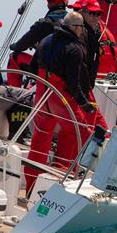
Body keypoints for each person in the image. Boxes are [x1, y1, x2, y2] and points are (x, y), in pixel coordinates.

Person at [23, 12, 99, 192]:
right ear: (75, 27)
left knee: (39, 141)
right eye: (82, 28)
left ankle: (30, 188)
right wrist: (84, 104)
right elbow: (73, 85)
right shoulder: (74, 48)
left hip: (42, 96)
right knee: (81, 135)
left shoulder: (45, 40)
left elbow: (33, 68)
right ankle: (66, 184)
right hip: (61, 100)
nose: (83, 32)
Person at [7, 0, 69, 87]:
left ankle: (13, 96)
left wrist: (14, 46)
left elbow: (22, 44)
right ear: (64, 3)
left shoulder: (45, 23)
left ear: (49, 4)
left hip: (48, 70)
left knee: (14, 57)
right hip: (67, 71)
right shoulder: (73, 22)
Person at [69, 0, 117, 76]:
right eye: (92, 13)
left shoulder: (100, 29)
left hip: (111, 77)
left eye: (98, 14)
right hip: (98, 78)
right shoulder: (78, 32)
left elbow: (114, 54)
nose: (95, 17)